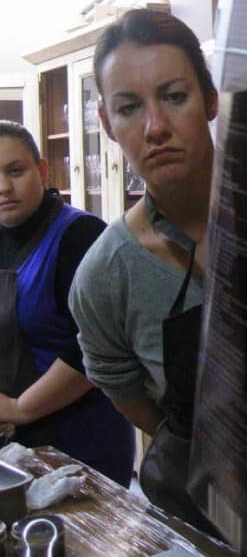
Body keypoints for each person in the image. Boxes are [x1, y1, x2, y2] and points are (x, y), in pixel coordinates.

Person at [68, 8, 220, 535]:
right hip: (204, 513)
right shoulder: (105, 275)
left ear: (211, 99)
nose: (155, 128)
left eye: (174, 97)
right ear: (107, 123)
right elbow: (133, 401)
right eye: (129, 108)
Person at [0, 120, 135, 486]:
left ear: (42, 170)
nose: (3, 187)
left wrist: (18, 408)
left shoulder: (81, 236)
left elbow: (95, 345)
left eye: (15, 171)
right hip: (14, 440)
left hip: (77, 439)